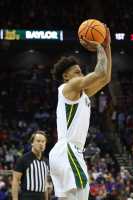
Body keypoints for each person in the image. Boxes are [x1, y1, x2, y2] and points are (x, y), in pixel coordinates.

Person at [49, 26, 112, 200]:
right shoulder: (69, 87)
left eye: (81, 71)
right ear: (66, 76)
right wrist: (99, 47)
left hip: (71, 152)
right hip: (67, 150)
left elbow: (105, 77)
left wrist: (107, 46)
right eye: (77, 72)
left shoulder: (81, 93)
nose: (81, 73)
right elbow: (99, 72)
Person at [12, 130, 49, 200]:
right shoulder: (23, 159)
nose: (41, 143)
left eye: (43, 141)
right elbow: (15, 181)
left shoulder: (46, 161)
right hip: (27, 196)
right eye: (38, 141)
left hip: (41, 196)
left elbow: (45, 183)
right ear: (32, 143)